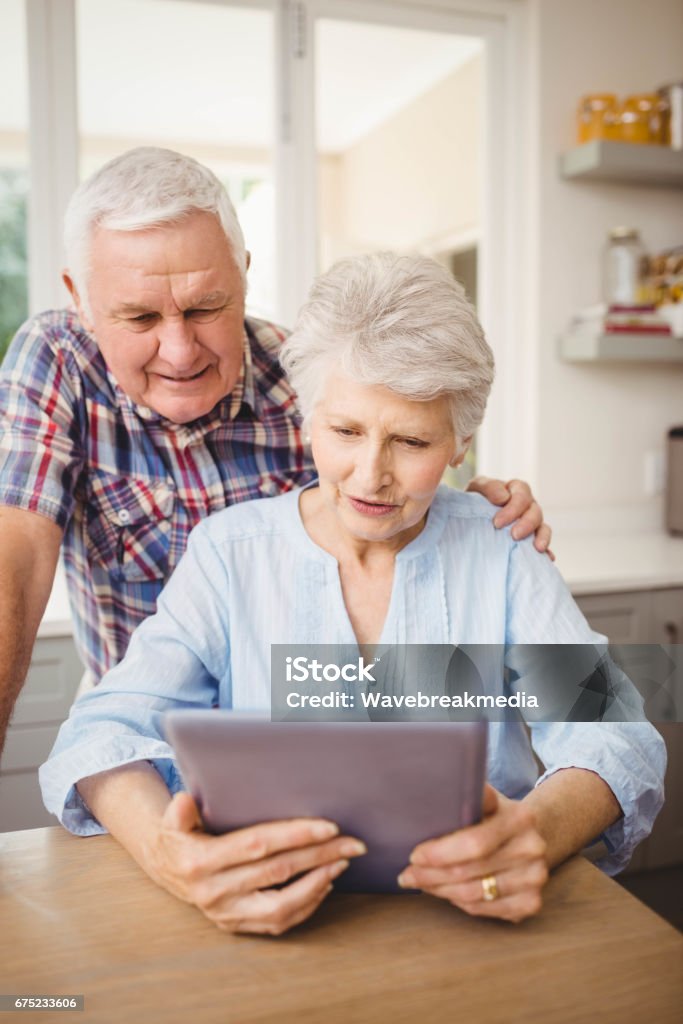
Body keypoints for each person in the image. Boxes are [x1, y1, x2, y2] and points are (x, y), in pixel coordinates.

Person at [40, 252, 665, 936]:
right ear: (306, 417)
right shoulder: (228, 554)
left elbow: (618, 735)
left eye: (410, 440)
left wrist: (535, 834)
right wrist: (168, 852)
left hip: (472, 923)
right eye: (344, 431)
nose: (370, 476)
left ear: (460, 442)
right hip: (268, 931)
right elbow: (98, 735)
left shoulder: (501, 551)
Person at [0, 148, 549, 757]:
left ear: (244, 274)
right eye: (140, 316)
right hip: (137, 719)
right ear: (80, 298)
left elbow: (611, 721)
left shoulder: (311, 377)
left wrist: (452, 514)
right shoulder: (57, 360)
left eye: (207, 307)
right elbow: (14, 561)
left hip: (290, 729)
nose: (180, 352)